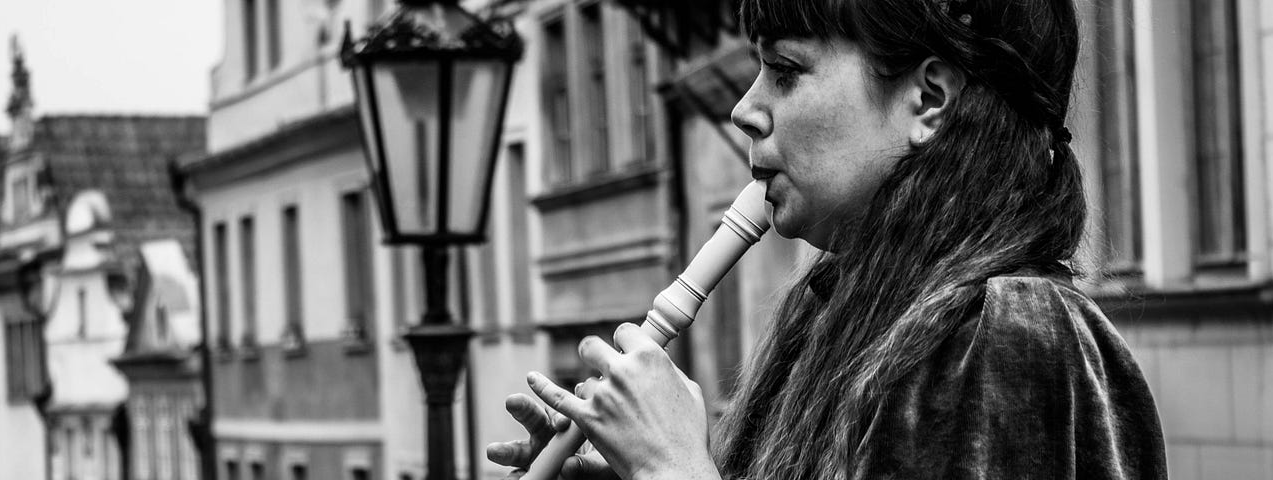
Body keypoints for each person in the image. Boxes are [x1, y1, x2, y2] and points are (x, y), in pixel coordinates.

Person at [486, 0, 1167, 478]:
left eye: (785, 70)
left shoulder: (1012, 335)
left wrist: (675, 469)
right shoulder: (844, 316)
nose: (745, 109)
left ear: (929, 99)